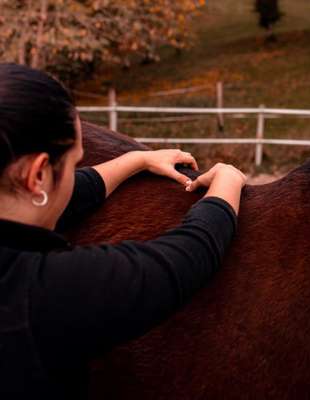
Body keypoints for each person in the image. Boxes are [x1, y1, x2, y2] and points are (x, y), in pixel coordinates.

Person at [0, 63, 246, 399]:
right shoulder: (36, 295)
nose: (76, 174)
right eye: (74, 163)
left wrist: (137, 161)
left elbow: (74, 192)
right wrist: (227, 184)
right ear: (38, 176)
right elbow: (183, 259)